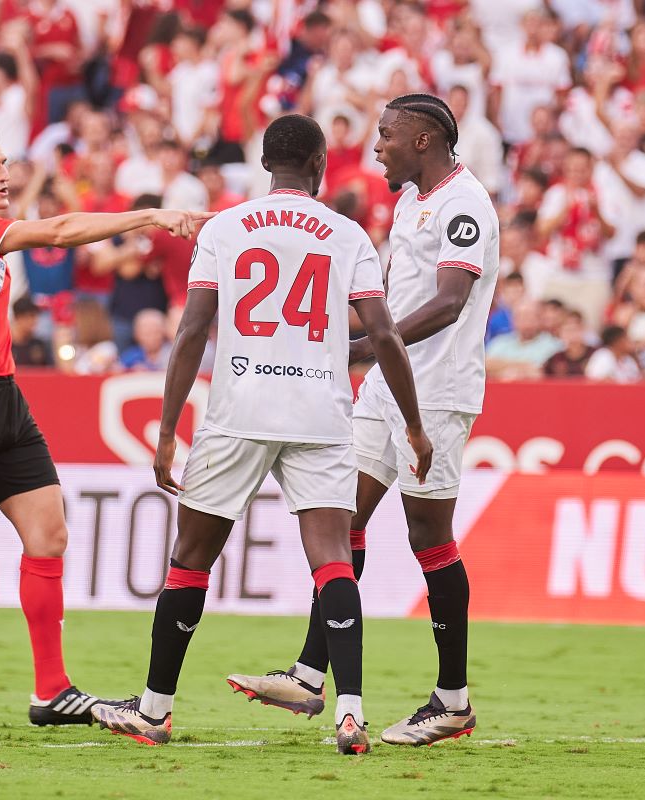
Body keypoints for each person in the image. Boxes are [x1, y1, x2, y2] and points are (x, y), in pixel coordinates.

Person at [90, 115, 433, 756]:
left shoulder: (225, 227)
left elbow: (192, 331)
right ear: (320, 165)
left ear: (263, 162)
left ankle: (155, 710)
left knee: (191, 560)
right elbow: (385, 336)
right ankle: (351, 714)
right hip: (320, 412)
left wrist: (167, 430)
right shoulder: (348, 234)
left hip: (239, 406)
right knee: (333, 556)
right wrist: (413, 424)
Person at [0, 125, 208, 727]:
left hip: (2, 397)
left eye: (4, 163)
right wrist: (147, 217)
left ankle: (52, 691)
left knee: (49, 533)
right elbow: (57, 232)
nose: (2, 175)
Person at [230, 94, 500, 747]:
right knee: (343, 514)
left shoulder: (465, 205)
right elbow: (397, 301)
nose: (376, 145)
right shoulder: (412, 201)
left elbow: (449, 302)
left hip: (436, 388)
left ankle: (452, 700)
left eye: (387, 135)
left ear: (424, 141)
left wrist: (366, 345)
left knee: (427, 532)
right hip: (391, 381)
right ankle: (308, 674)